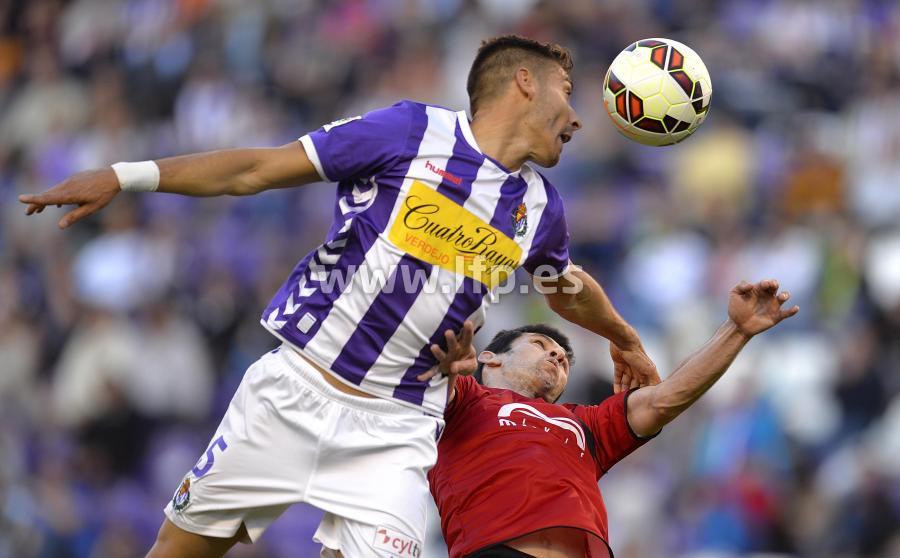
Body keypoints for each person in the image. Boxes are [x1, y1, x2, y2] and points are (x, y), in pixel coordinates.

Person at [18, 35, 660, 557]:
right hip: (296, 387)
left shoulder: (540, 207)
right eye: (568, 93)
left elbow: (565, 287)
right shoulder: (410, 132)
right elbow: (257, 170)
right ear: (524, 80)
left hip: (398, 425)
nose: (578, 117)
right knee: (179, 551)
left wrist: (623, 336)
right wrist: (125, 175)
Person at [426, 279, 800, 558]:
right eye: (541, 345)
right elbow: (439, 377)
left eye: (564, 359)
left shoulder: (584, 423)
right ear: (492, 358)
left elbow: (665, 400)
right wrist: (448, 363)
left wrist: (736, 331)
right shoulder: (468, 402)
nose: (557, 358)